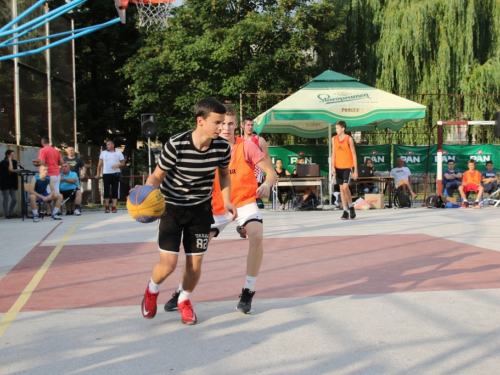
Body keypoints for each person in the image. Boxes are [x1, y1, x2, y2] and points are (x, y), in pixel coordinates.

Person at [164, 103, 276, 315]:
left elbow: (271, 172)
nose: (226, 128)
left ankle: (248, 291)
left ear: (237, 125)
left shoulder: (247, 146)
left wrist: (267, 184)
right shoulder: (208, 146)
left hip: (244, 202)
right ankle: (180, 292)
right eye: (223, 123)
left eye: (231, 124)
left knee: (256, 235)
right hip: (215, 206)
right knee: (195, 252)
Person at [141, 98, 236, 325]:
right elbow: (157, 176)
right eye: (217, 123)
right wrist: (145, 192)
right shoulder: (177, 144)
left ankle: (184, 301)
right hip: (171, 208)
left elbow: (223, 174)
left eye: (224, 123)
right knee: (168, 266)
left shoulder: (222, 147)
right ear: (200, 121)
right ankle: (151, 291)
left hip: (201, 210)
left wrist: (227, 201)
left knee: (194, 266)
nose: (222, 128)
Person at [240, 117, 271, 210]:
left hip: (256, 174)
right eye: (248, 125)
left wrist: (271, 174)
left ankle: (254, 218)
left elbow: (267, 157)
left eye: (252, 125)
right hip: (242, 173)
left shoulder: (259, 140)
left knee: (256, 202)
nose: (250, 127)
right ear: (243, 126)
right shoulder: (238, 140)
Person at [331, 121, 358, 220]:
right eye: (336, 128)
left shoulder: (349, 139)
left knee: (346, 187)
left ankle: (351, 206)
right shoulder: (334, 139)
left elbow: (354, 154)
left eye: (338, 128)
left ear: (343, 129)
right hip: (338, 167)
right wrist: (332, 166)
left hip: (347, 166)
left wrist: (356, 170)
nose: (336, 130)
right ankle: (345, 210)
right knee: (341, 189)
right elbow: (333, 153)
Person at [95, 140, 125, 213]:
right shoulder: (103, 153)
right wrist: (98, 174)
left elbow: (123, 163)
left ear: (113, 145)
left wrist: (117, 165)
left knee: (115, 190)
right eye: (106, 144)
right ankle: (107, 206)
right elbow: (99, 164)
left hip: (115, 173)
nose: (107, 146)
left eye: (109, 144)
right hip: (106, 173)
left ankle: (114, 206)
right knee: (106, 190)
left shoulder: (118, 153)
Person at [0, 150, 23, 218]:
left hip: (12, 183)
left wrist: (18, 166)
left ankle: (10, 212)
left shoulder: (15, 162)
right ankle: (7, 214)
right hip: (5, 183)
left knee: (14, 199)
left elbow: (21, 169)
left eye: (13, 155)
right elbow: (10, 169)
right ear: (8, 155)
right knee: (6, 199)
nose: (13, 156)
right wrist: (10, 161)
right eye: (12, 155)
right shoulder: (3, 163)